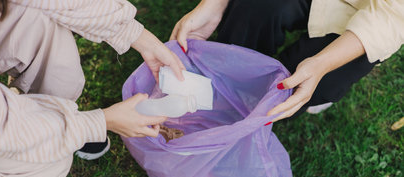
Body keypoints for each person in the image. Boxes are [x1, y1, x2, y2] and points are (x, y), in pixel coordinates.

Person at [0, 0, 185, 177]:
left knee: (38, 20)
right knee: (52, 164)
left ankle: (57, 129)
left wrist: (139, 38)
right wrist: (98, 123)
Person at [170, 0, 404, 121]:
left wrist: (322, 64)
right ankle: (218, 87)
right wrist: (214, 4)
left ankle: (241, 115)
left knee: (294, 86)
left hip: (370, 17)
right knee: (253, 11)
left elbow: (392, 17)